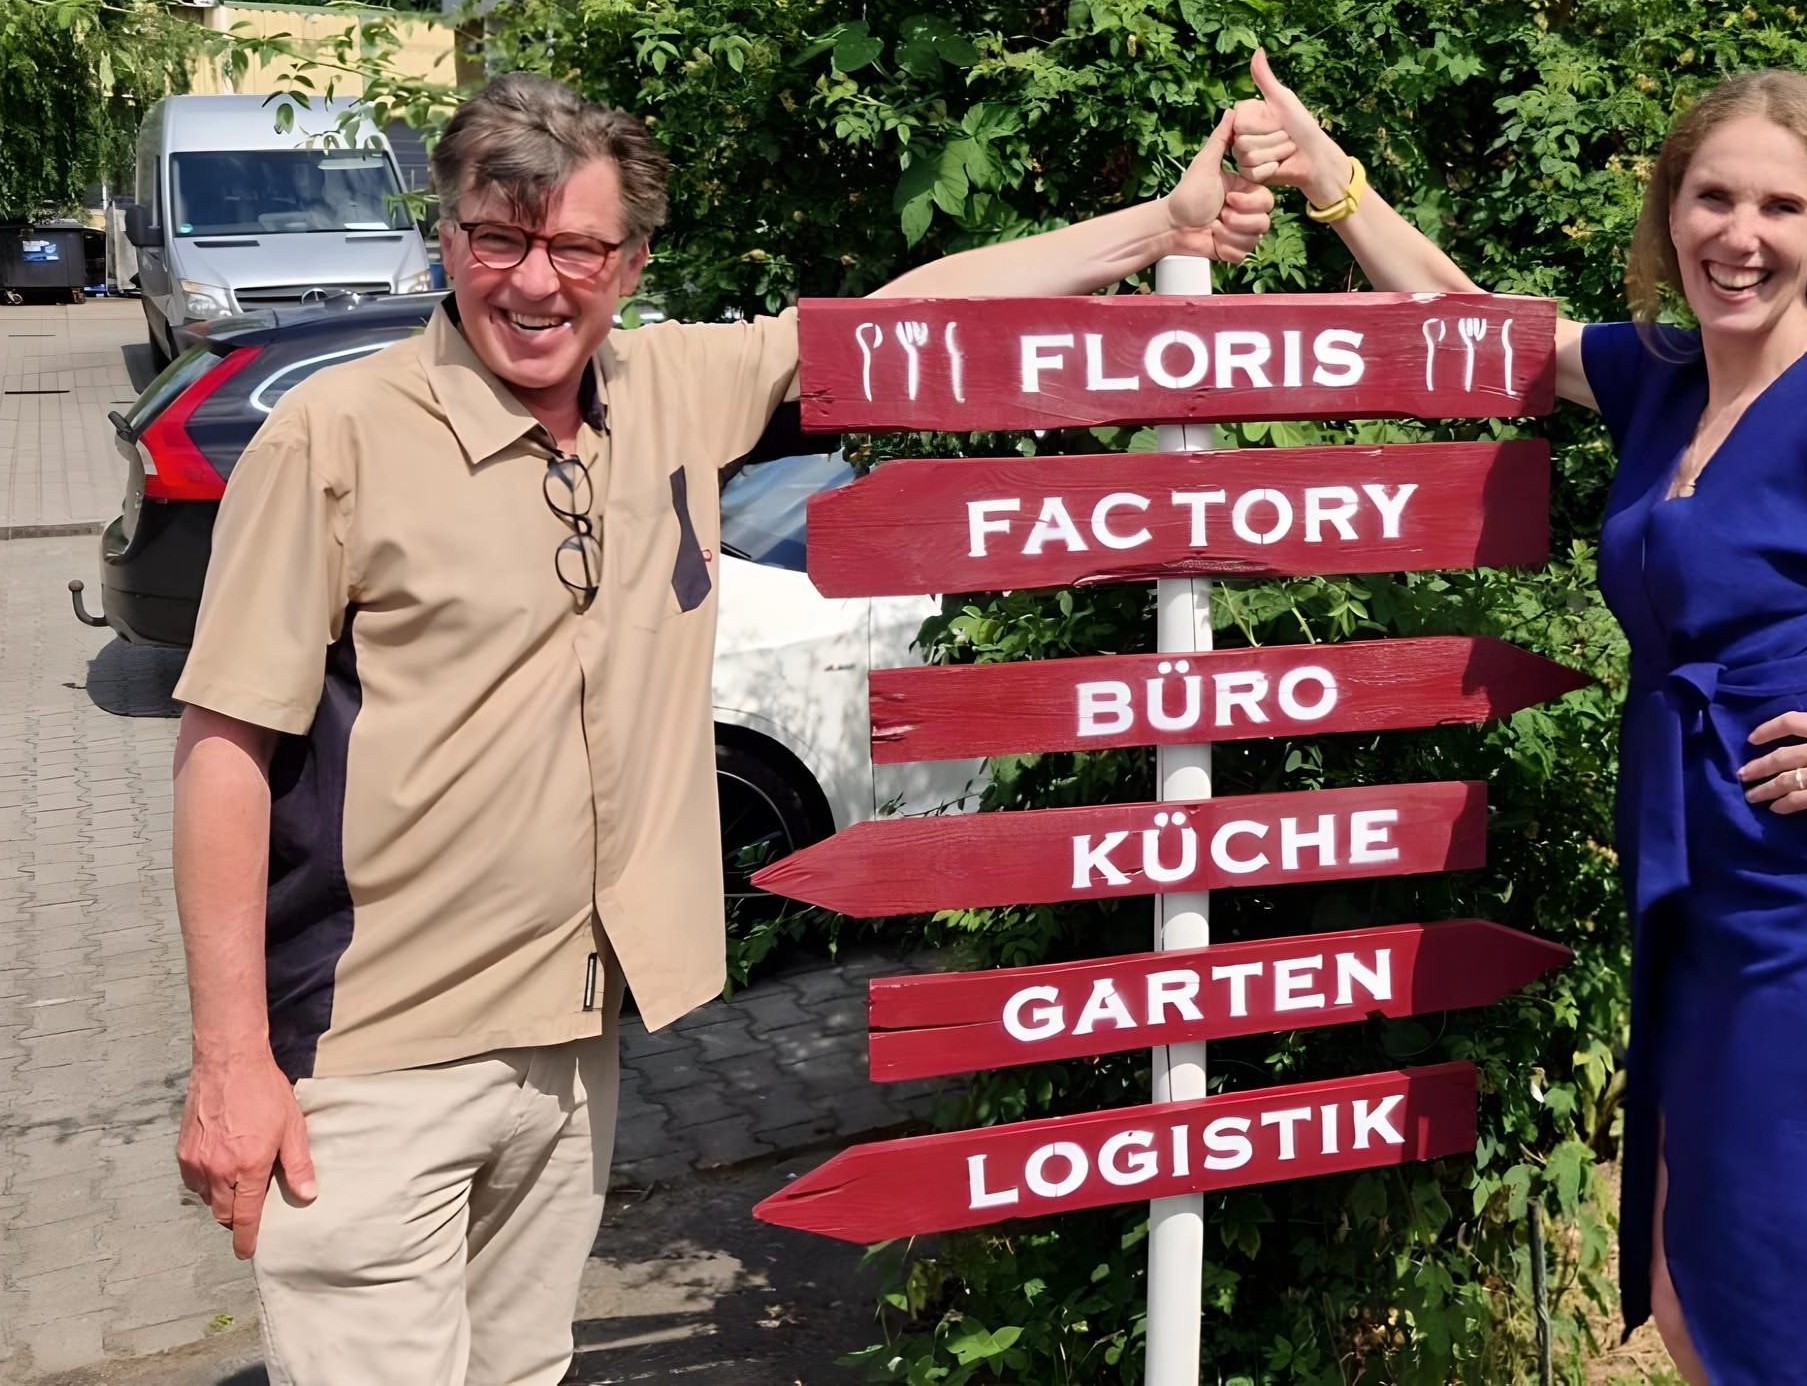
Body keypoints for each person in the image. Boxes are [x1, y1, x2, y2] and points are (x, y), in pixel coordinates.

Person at [170, 73, 1268, 1385]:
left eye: (575, 247)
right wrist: (230, 1065)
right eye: (496, 239)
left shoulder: (676, 388)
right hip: (374, 1066)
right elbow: (225, 750)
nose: (533, 283)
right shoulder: (334, 439)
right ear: (447, 238)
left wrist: (1162, 224)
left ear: (630, 261)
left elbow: (903, 316)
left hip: (575, 1054)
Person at [1227, 53, 1807, 1386]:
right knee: (1687, 1264)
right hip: (1701, 878)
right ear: (1672, 212)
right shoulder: (1667, 377)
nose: (1742, 236)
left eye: (1782, 208)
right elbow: (1483, 330)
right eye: (1713, 197)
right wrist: (1337, 187)